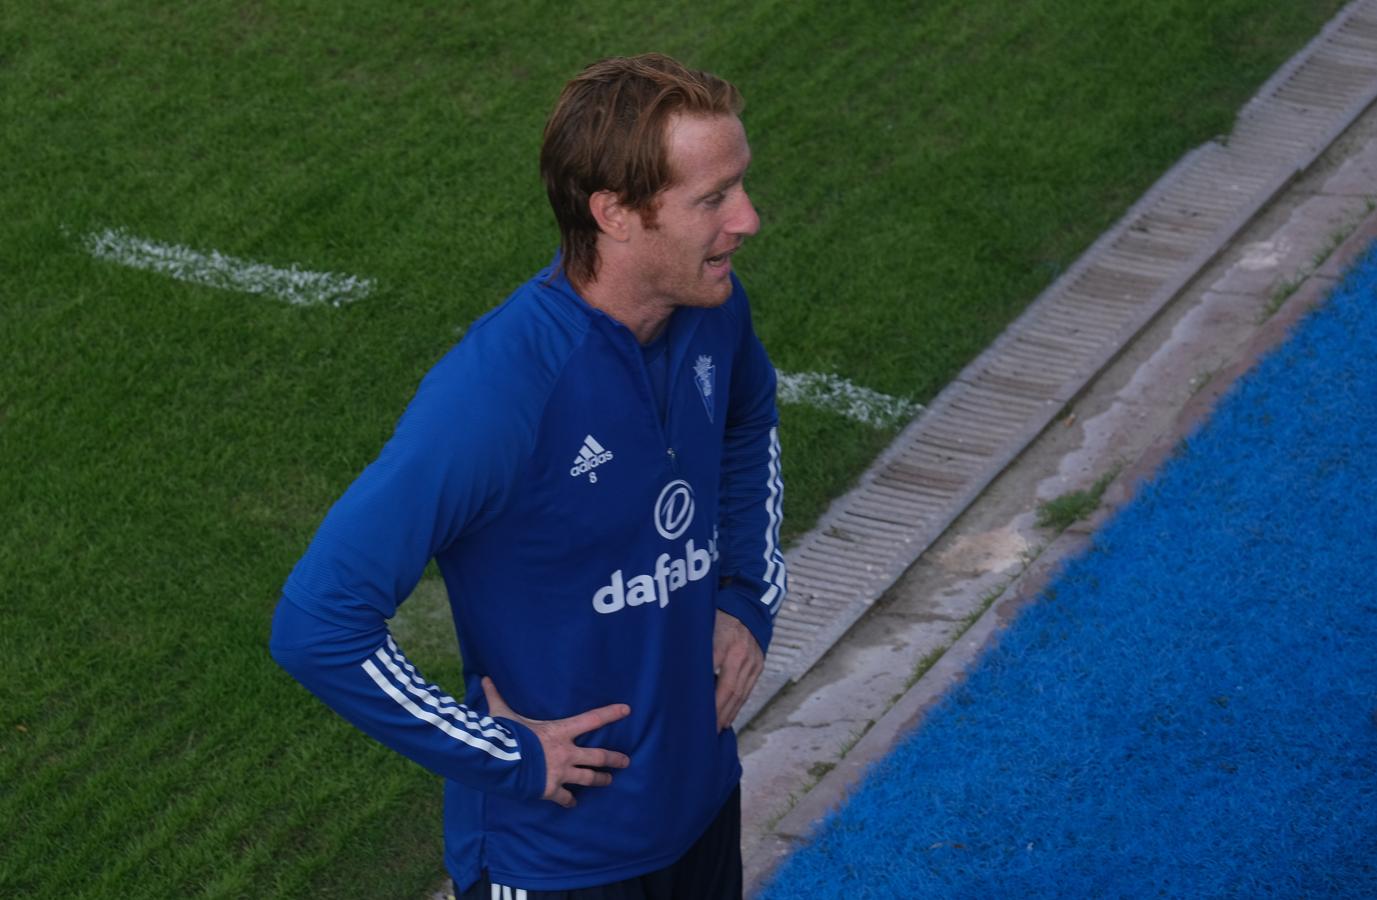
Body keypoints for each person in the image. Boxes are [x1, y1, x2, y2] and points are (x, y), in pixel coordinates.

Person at [270, 53, 785, 899]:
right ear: (615, 214)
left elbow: (748, 422)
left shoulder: (714, 313)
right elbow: (318, 622)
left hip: (700, 811)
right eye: (712, 199)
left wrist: (743, 591)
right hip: (555, 866)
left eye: (740, 185)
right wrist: (499, 752)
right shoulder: (496, 391)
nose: (748, 220)